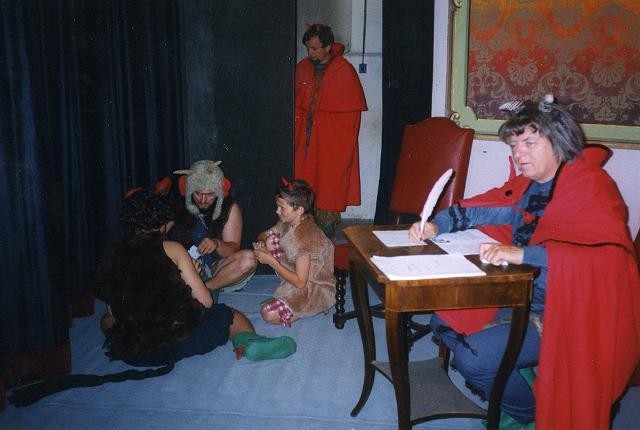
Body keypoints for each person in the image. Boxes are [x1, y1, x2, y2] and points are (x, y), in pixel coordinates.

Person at [409, 95, 640, 428]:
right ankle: (524, 395)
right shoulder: (532, 187)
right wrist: (437, 224)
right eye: (515, 145)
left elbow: (607, 261)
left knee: (474, 360)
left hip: (568, 316)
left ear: (558, 142)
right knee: (442, 322)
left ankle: (534, 414)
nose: (519, 153)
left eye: (529, 143)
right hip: (523, 295)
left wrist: (523, 254)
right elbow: (485, 211)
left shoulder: (590, 186)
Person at [95, 189, 296, 365]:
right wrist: (193, 276)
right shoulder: (172, 249)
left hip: (135, 351)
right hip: (178, 342)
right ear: (162, 222)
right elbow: (205, 302)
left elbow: (113, 311)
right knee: (229, 315)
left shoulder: (112, 253)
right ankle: (249, 342)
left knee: (106, 320)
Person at [294, 23, 368, 240]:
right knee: (302, 184)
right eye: (308, 48)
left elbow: (350, 118)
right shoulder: (302, 68)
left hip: (330, 143)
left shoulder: (344, 70)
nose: (310, 53)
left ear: (328, 47)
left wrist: (321, 119)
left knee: (328, 187)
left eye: (315, 48)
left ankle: (325, 244)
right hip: (304, 140)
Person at [254, 179, 335, 327]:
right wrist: (263, 243)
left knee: (267, 314)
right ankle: (289, 294)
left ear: (299, 210)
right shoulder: (288, 222)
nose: (277, 211)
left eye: (282, 207)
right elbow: (264, 234)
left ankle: (316, 305)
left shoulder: (306, 239)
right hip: (296, 276)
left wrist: (271, 261)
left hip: (313, 287)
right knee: (273, 239)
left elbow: (300, 282)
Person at [170, 160, 256, 294]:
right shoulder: (177, 205)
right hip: (181, 266)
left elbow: (233, 249)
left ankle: (205, 289)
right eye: (198, 193)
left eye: (210, 194)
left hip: (214, 269)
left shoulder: (229, 207)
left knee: (249, 259)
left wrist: (217, 244)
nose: (203, 200)